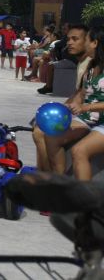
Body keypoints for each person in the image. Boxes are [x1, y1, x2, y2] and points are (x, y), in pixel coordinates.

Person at [44, 26, 104, 181]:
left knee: (79, 150)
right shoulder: (90, 68)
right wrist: (67, 106)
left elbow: (86, 104)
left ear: (95, 43)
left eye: (86, 40)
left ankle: (84, 198)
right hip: (88, 119)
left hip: (102, 123)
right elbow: (82, 94)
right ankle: (60, 182)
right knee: (51, 137)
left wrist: (85, 107)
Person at [32, 25, 89, 172]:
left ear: (88, 41)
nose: (69, 42)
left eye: (75, 39)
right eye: (68, 39)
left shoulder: (90, 64)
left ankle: (49, 177)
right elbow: (78, 93)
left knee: (40, 132)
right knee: (38, 126)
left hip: (88, 116)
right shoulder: (82, 62)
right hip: (81, 113)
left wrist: (68, 110)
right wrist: (62, 107)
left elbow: (83, 95)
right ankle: (44, 174)